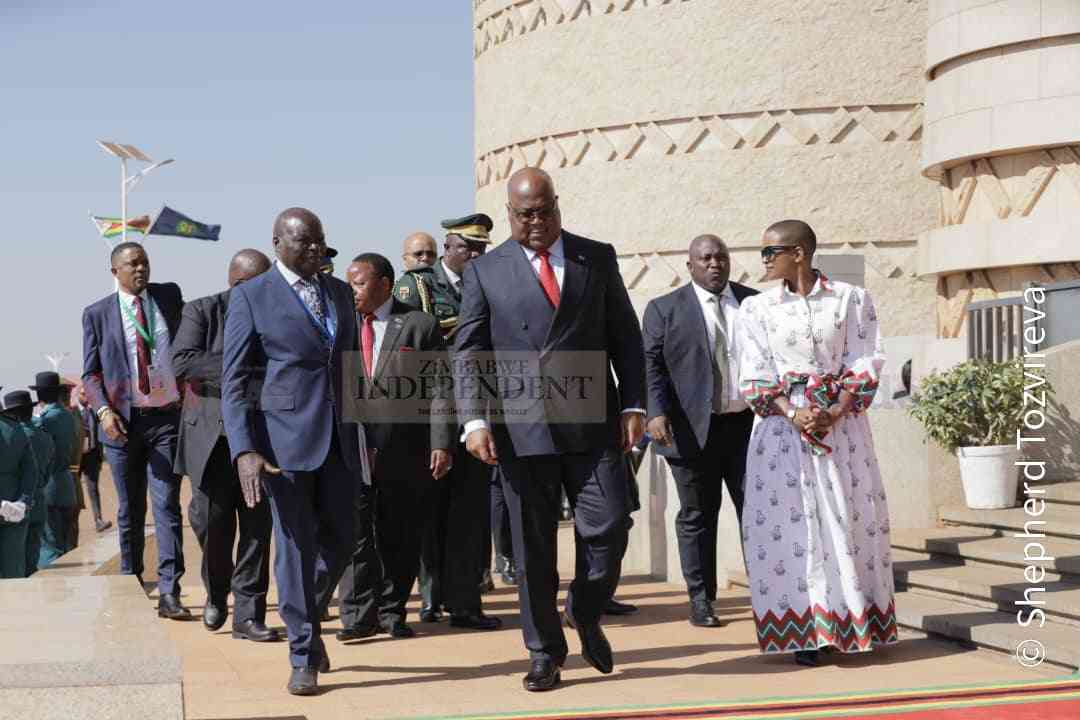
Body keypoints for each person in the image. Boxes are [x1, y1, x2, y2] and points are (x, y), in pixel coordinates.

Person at [453, 168, 646, 692]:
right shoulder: (486, 271)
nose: (536, 223)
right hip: (521, 428)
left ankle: (584, 609)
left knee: (609, 526)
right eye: (524, 215)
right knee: (533, 548)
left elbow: (626, 337)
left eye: (545, 211)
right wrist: (474, 420)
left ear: (557, 206)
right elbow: (468, 351)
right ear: (509, 215)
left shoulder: (595, 257)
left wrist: (634, 403)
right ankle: (545, 652)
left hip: (593, 422)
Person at [736, 219, 896, 667]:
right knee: (794, 528)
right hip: (782, 436)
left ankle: (848, 623)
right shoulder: (756, 309)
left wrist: (837, 409)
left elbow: (865, 359)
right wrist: (794, 411)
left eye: (771, 252)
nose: (764, 260)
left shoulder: (850, 300)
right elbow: (754, 373)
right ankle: (805, 631)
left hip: (842, 433)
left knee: (844, 520)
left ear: (799, 253)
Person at [222, 208, 367, 696]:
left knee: (344, 540)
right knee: (295, 547)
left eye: (320, 243)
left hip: (341, 439)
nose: (314, 251)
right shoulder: (250, 297)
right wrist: (245, 448)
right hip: (282, 442)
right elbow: (235, 380)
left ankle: (308, 614)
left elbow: (350, 367)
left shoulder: (340, 293)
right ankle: (302, 652)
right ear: (278, 243)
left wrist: (369, 431)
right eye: (303, 243)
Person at [335, 253, 457, 640]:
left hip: (405, 449)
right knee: (355, 533)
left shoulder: (419, 325)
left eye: (359, 282)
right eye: (349, 281)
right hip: (353, 446)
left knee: (399, 534)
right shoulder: (340, 323)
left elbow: (440, 387)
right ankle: (357, 616)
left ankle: (392, 612)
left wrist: (441, 442)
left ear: (385, 284)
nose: (351, 289)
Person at [642, 234, 757, 628]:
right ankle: (701, 599)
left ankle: (767, 593)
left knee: (757, 514)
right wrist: (654, 413)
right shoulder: (664, 309)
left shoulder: (754, 303)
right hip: (692, 432)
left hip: (749, 428)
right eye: (705, 258)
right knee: (696, 516)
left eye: (721, 257)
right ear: (689, 265)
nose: (714, 264)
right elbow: (652, 366)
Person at [172, 249, 279, 643]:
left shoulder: (277, 315)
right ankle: (217, 591)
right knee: (210, 525)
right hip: (210, 442)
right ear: (239, 284)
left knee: (256, 528)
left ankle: (249, 615)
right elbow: (182, 362)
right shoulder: (201, 311)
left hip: (262, 438)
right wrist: (240, 367)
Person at [81, 242, 189, 619]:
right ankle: (130, 582)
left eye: (144, 262)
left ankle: (170, 590)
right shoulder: (96, 314)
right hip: (123, 424)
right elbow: (90, 373)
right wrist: (104, 410)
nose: (140, 269)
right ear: (115, 272)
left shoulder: (169, 296)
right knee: (130, 509)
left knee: (167, 505)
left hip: (165, 419)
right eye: (131, 264)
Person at [406, 214, 501, 628]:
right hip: (431, 409)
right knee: (429, 510)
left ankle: (464, 604)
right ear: (450, 248)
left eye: (483, 249)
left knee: (470, 511)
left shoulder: (494, 281)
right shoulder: (419, 284)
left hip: (480, 406)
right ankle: (430, 598)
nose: (478, 256)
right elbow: (410, 340)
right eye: (470, 248)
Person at [29, 372, 80, 568]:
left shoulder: (43, 420)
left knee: (50, 545)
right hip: (67, 482)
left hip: (49, 484)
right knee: (67, 542)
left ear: (39, 396)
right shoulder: (68, 415)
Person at [0, 391, 43, 579]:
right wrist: (23, 502)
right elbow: (31, 471)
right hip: (14, 512)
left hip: (10, 508)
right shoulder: (15, 429)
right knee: (14, 573)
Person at [76, 385, 112, 533]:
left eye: (88, 394)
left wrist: (99, 456)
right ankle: (73, 522)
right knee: (74, 491)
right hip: (76, 458)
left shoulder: (94, 413)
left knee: (93, 489)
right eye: (83, 394)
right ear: (78, 395)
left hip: (92, 456)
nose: (86, 397)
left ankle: (98, 520)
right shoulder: (73, 412)